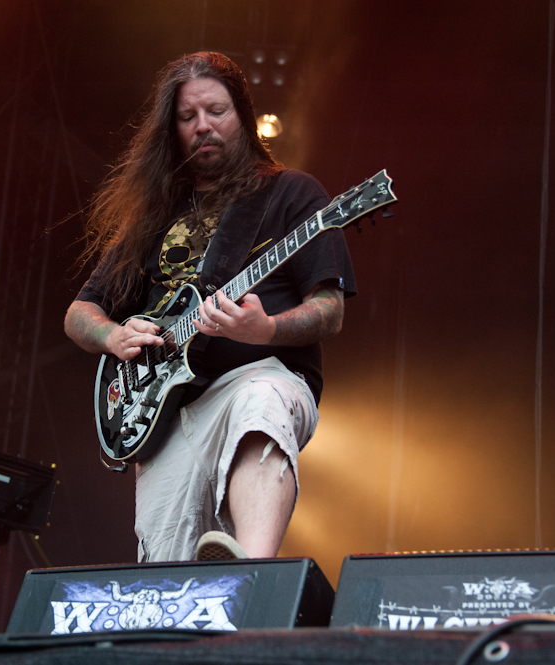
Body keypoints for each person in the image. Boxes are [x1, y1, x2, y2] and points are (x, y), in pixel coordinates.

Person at [65, 52, 356, 563]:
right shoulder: (154, 218)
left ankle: (255, 569)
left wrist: (265, 329)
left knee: (260, 404)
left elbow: (329, 309)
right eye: (187, 116)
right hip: (166, 412)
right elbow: (79, 313)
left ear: (242, 115)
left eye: (217, 111)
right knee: (165, 568)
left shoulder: (291, 194)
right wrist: (112, 336)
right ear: (172, 130)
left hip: (262, 374)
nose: (203, 125)